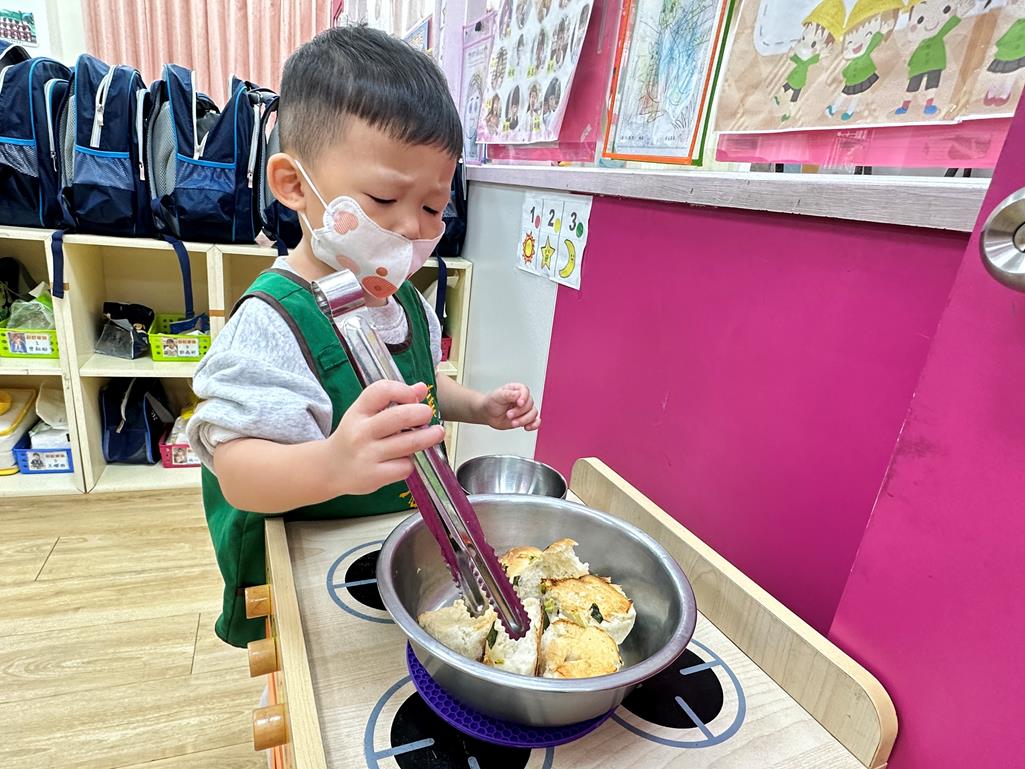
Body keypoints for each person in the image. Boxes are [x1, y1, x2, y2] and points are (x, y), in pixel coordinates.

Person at [188, 25, 541, 649]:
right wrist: (333, 464)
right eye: (384, 198)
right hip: (303, 568)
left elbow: (419, 389)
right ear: (294, 185)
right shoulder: (272, 322)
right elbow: (236, 473)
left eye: (432, 208)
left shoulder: (403, 298)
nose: (411, 229)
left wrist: (477, 406)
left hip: (389, 546)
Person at [827, 0, 902, 121]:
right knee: (844, 94)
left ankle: (849, 111)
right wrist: (844, 73)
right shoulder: (852, 58)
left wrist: (881, 32)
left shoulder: (866, 52)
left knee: (855, 95)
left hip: (860, 78)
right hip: (852, 79)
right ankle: (833, 108)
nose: (855, 45)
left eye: (867, 34)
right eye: (849, 42)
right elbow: (847, 69)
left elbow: (872, 43)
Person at [773, 0, 843, 122]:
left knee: (792, 96)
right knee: (785, 89)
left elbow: (815, 57)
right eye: (803, 38)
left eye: (813, 44)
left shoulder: (810, 59)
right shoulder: (802, 57)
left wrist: (820, 53)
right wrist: (791, 54)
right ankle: (781, 101)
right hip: (793, 78)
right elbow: (795, 57)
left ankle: (789, 112)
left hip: (798, 81)